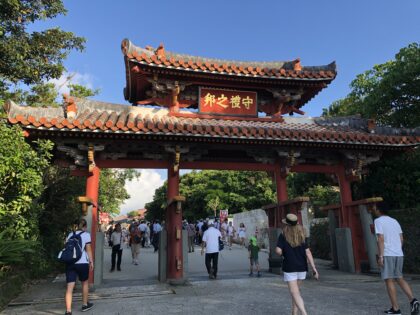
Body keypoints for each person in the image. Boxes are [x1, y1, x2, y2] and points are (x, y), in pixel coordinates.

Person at [373, 202, 419, 315]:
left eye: (374, 207)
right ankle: (413, 300)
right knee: (399, 278)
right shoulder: (395, 221)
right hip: (398, 253)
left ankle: (396, 309)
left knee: (389, 280)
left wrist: (381, 256)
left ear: (379, 209)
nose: (373, 209)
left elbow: (381, 239)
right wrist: (397, 250)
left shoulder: (378, 221)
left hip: (387, 254)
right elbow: (401, 239)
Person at [275, 213, 318, 315]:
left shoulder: (283, 234)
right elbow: (308, 252)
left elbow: (278, 250)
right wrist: (314, 268)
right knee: (296, 292)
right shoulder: (301, 234)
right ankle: (294, 313)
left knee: (295, 293)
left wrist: (281, 252)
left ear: (287, 224)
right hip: (302, 267)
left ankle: (304, 313)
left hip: (290, 267)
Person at [64, 218, 94, 315]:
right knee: (84, 283)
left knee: (69, 287)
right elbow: (88, 249)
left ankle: (68, 311)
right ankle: (85, 305)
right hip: (82, 263)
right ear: (85, 226)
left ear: (76, 225)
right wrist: (91, 261)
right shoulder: (86, 235)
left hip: (71, 263)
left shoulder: (70, 235)